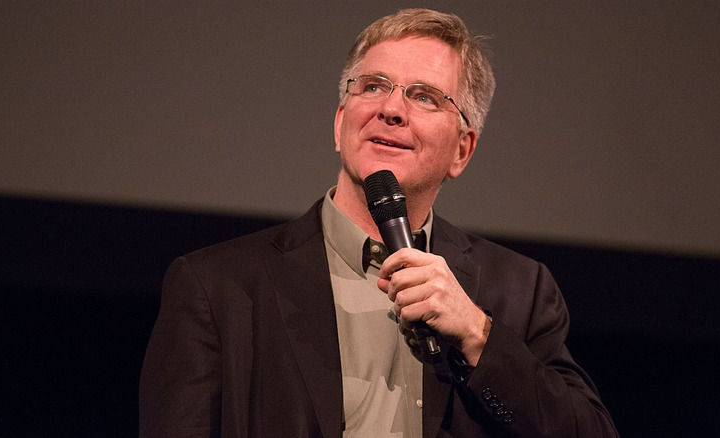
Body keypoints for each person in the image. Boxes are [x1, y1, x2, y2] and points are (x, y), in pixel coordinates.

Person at [140, 8, 618, 438]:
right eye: (373, 86)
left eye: (424, 96)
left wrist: (477, 334)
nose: (390, 109)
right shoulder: (217, 286)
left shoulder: (520, 291)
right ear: (340, 123)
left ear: (462, 150)